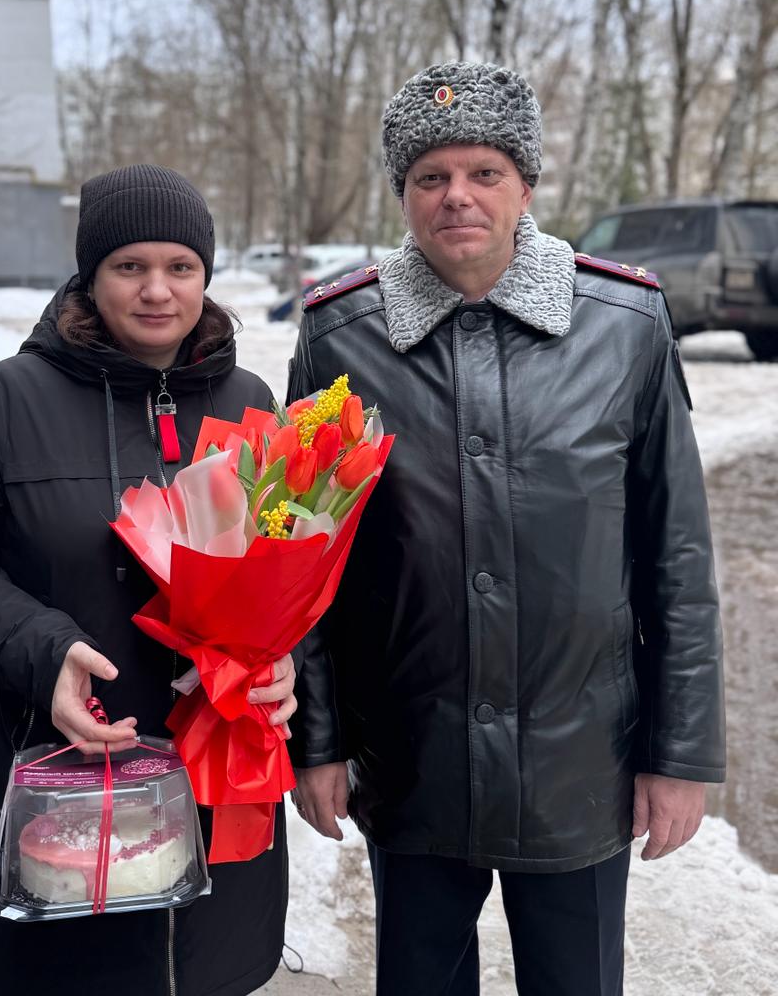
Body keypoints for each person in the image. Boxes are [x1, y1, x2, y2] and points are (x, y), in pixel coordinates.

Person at [287, 63, 725, 996]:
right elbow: (305, 563)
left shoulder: (626, 323)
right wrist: (317, 741)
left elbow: (677, 559)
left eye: (484, 172)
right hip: (411, 763)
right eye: (430, 176)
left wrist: (680, 756)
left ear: (525, 186)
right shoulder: (339, 336)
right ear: (404, 194)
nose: (458, 196)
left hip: (581, 767)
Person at [0, 164, 296, 996]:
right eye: (129, 266)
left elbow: (287, 567)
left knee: (210, 971)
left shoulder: (249, 399)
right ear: (89, 273)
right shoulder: (7, 401)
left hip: (216, 781)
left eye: (180, 266)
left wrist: (281, 663)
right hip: (62, 778)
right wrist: (43, 653)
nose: (157, 290)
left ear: (205, 275)